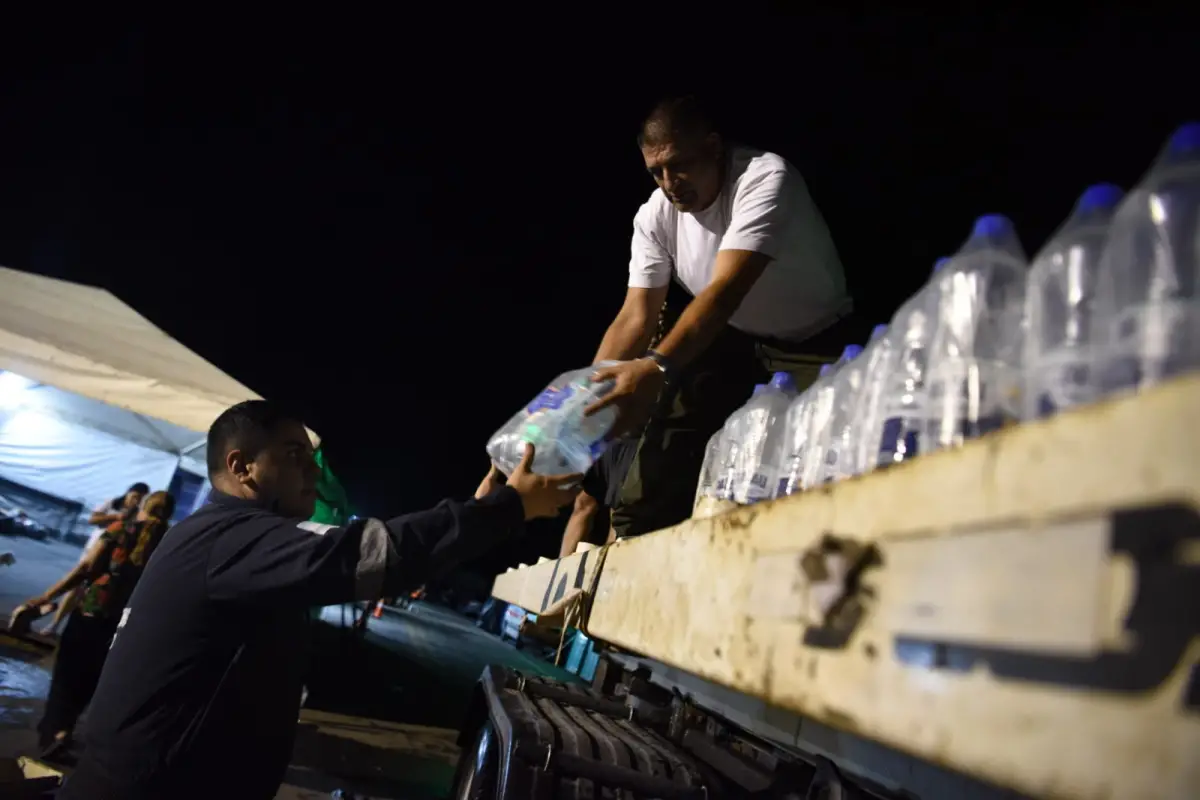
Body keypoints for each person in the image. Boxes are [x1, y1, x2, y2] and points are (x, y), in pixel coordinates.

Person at [59, 400, 579, 800]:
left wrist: (480, 510)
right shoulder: (231, 536)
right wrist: (507, 508)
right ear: (241, 467)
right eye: (293, 456)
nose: (312, 470)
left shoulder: (219, 535)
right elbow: (373, 556)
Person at [581, 95, 860, 539]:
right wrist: (584, 397)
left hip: (814, 339)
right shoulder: (654, 216)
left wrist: (654, 366)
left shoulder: (766, 177)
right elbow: (636, 315)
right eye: (656, 171)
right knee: (663, 434)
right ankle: (635, 532)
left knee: (823, 457)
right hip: (732, 336)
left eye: (679, 165)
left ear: (713, 147)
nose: (670, 183)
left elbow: (724, 291)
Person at [18, 490, 175, 759]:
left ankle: (55, 732)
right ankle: (63, 730)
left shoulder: (121, 529)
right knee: (92, 678)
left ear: (145, 506)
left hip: (91, 612)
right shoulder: (168, 545)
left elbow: (86, 569)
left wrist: (46, 597)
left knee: (67, 676)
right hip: (124, 624)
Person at [40, 482, 149, 636]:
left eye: (140, 499)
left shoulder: (138, 515)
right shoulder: (113, 504)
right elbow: (93, 519)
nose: (136, 501)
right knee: (75, 587)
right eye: (135, 497)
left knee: (92, 593)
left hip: (111, 558)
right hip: (92, 550)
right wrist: (116, 516)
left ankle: (72, 630)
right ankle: (55, 624)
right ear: (129, 493)